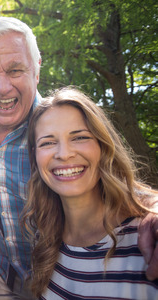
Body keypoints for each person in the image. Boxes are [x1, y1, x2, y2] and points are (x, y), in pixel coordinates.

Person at [0, 16, 158, 299]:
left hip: (55, 273)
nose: (2, 87)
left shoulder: (55, 125)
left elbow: (105, 172)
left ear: (36, 70)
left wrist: (154, 208)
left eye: (15, 70)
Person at [22, 87, 158, 298]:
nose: (64, 154)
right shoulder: (44, 239)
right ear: (35, 157)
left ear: (102, 146)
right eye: (47, 142)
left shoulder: (147, 242)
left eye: (79, 138)